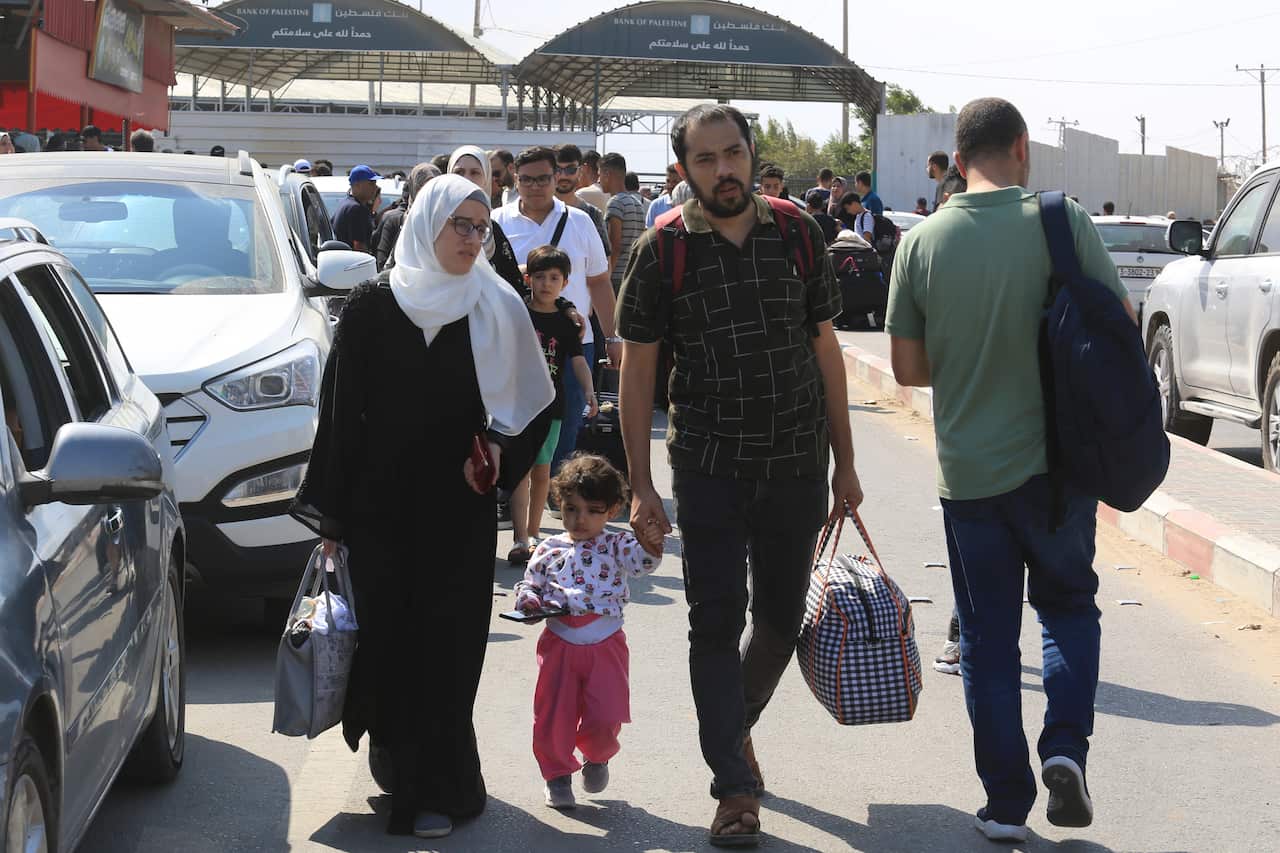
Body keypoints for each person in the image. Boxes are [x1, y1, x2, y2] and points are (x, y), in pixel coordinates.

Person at [887, 97, 1136, 844]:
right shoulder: (1064, 222)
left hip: (968, 478)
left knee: (989, 643)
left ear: (956, 160)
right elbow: (1121, 325)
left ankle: (1004, 804)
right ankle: (1065, 745)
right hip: (1060, 470)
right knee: (1066, 607)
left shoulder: (922, 242)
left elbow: (906, 367)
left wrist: (970, 358)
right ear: (1022, 149)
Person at [616, 103, 863, 848]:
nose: (724, 170)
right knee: (715, 622)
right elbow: (636, 374)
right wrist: (640, 483)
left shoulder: (798, 232)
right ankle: (733, 786)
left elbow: (826, 352)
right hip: (709, 464)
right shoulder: (662, 250)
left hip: (795, 460)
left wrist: (846, 462)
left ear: (752, 155)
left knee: (783, 621)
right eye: (706, 159)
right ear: (683, 169)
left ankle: (731, 724)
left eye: (734, 154)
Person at [291, 174, 555, 840]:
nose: (471, 239)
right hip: (381, 511)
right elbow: (342, 417)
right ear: (425, 225)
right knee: (392, 642)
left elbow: (530, 405)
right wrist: (333, 518)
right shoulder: (372, 307)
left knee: (449, 647)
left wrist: (497, 461)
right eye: (458, 225)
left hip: (456, 513)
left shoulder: (496, 304)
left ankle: (429, 787)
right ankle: (410, 770)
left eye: (479, 227)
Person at [515, 453, 662, 808]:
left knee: (606, 714)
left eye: (593, 510)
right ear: (559, 505)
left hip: (605, 643)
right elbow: (530, 585)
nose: (580, 519)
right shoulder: (549, 548)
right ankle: (557, 776)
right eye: (571, 509)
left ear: (612, 511)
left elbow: (646, 563)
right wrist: (529, 602)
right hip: (560, 643)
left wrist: (651, 539)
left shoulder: (617, 545)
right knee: (553, 715)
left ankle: (597, 756)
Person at [494, 147, 617, 479]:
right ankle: (515, 493)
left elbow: (600, 282)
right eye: (528, 179)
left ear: (557, 177)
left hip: (573, 345)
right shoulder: (497, 221)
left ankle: (557, 494)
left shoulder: (580, 221)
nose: (536, 186)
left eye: (543, 178)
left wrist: (612, 336)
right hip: (515, 345)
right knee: (514, 423)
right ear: (516, 180)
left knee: (566, 424)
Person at [508, 246, 598, 566]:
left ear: (565, 282)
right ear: (529, 278)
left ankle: (533, 533)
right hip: (518, 404)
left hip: (552, 406)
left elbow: (577, 361)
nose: (547, 284)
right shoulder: (518, 309)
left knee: (542, 471)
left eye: (555, 278)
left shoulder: (566, 321)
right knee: (520, 471)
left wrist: (590, 390)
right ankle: (520, 537)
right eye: (540, 277)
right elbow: (507, 273)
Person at [554, 144, 611, 268]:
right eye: (557, 169)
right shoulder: (537, 210)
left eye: (570, 169)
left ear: (580, 171)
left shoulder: (592, 214)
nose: (563, 176)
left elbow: (605, 265)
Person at [375, 163, 439, 271]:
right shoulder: (396, 222)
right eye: (423, 188)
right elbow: (382, 263)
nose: (428, 195)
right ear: (414, 189)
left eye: (434, 189)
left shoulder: (447, 224)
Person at [601, 153, 647, 294]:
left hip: (616, 277)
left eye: (600, 175)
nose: (599, 180)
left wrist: (606, 276)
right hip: (632, 273)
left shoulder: (615, 203)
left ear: (607, 174)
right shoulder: (637, 203)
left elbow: (615, 246)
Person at [331, 165, 380, 253]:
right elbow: (359, 246)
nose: (375, 187)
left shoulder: (346, 203)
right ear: (357, 185)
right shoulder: (357, 209)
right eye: (371, 183)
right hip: (351, 263)